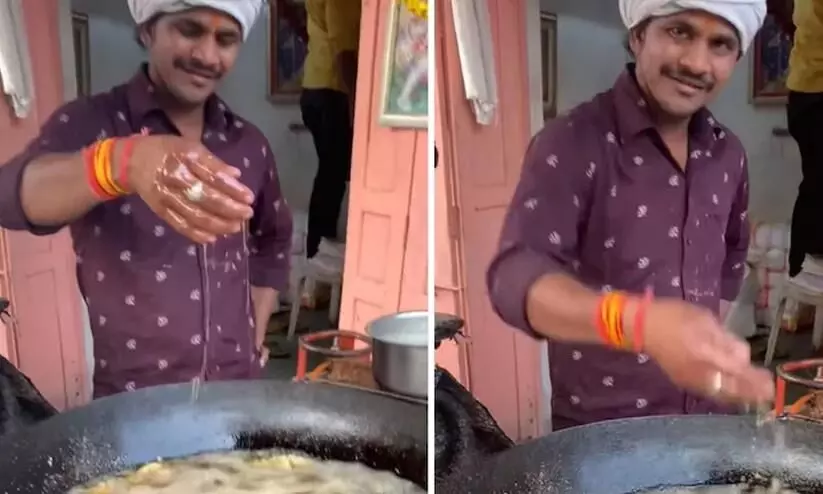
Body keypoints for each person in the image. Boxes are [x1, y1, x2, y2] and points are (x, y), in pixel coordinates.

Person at [487, 0, 775, 431]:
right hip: (605, 433)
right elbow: (513, 277)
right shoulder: (572, 141)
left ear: (737, 57)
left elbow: (733, 249)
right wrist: (641, 324)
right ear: (639, 35)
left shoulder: (727, 153)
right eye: (679, 32)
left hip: (712, 419)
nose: (697, 63)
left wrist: (706, 334)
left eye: (720, 44)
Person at [0, 0, 293, 399]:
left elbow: (274, 238)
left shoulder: (248, 144)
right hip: (134, 402)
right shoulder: (92, 123)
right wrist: (120, 164)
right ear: (147, 29)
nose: (207, 55)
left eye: (226, 40)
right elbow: (10, 198)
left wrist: (256, 327)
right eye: (189, 30)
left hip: (235, 394)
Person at [301, 0, 361, 262]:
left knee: (332, 175)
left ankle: (318, 252)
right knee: (333, 176)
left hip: (318, 88)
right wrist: (358, 102)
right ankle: (319, 255)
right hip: (332, 90)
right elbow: (344, 51)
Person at [768, 0, 823, 279]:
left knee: (815, 183)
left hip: (805, 93)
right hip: (815, 93)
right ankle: (805, 267)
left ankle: (802, 267)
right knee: (816, 183)